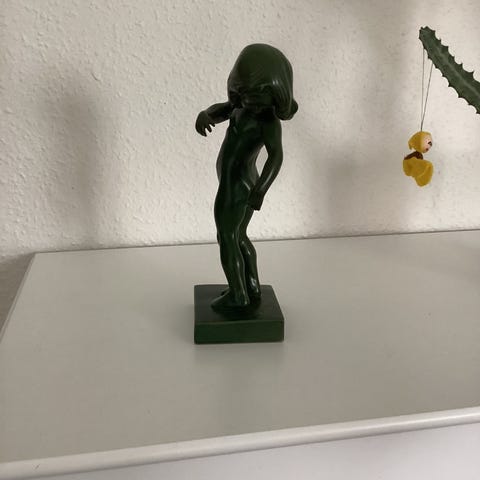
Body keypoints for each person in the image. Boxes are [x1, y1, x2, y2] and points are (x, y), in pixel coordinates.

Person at [195, 44, 297, 311]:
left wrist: (261, 189)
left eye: (257, 98)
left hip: (237, 185)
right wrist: (206, 115)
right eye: (244, 95)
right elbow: (223, 109)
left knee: (226, 236)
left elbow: (276, 157)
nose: (248, 102)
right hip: (235, 181)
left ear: (277, 95)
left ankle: (238, 295)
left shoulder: (268, 122)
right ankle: (251, 287)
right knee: (239, 235)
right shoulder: (240, 106)